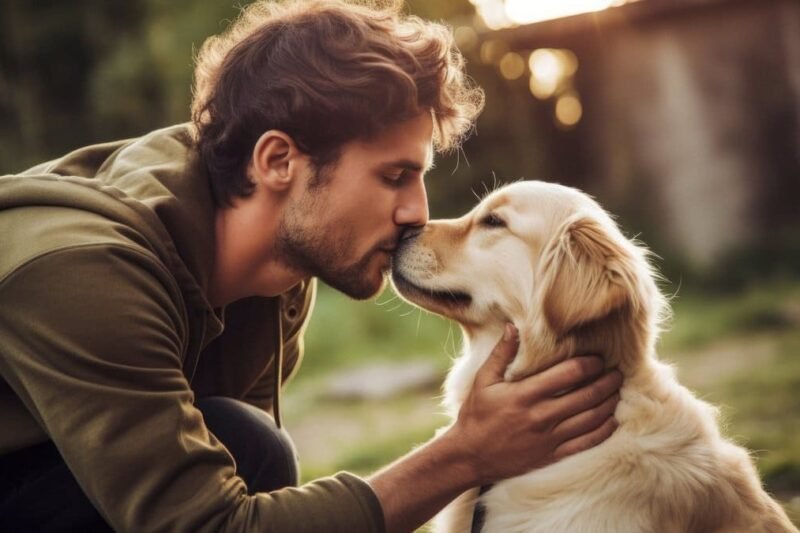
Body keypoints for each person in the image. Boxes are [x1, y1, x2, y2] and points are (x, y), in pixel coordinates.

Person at [0, 1, 623, 531]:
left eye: (420, 177)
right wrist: (463, 457)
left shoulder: (278, 271)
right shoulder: (86, 274)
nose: (417, 213)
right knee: (248, 444)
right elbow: (207, 525)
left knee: (244, 444)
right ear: (277, 161)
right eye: (394, 176)